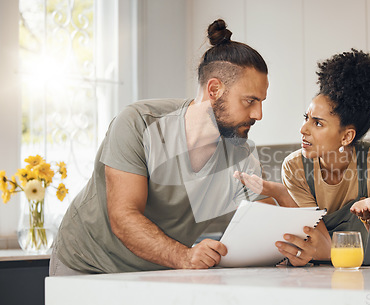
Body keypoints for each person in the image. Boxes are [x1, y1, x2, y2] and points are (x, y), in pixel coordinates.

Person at [49, 19, 274, 275]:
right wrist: (186, 257)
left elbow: (259, 224)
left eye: (261, 102)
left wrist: (285, 248)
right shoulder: (138, 123)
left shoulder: (241, 154)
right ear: (214, 90)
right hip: (89, 262)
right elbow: (124, 218)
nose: (258, 114)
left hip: (159, 270)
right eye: (250, 101)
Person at [235, 49, 370, 266]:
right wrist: (281, 193)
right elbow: (321, 243)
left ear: (347, 136)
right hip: (323, 276)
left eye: (317, 123)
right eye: (306, 118)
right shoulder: (295, 167)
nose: (303, 129)